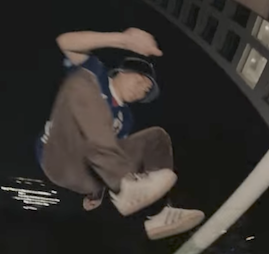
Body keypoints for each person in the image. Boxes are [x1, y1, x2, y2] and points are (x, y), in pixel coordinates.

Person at [36, 28, 204, 240]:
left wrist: (96, 193)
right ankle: (123, 186)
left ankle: (158, 214)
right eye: (141, 81)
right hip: (58, 158)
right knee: (80, 83)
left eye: (146, 90)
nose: (142, 90)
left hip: (87, 174)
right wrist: (123, 40)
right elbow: (65, 42)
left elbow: (106, 151)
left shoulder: (126, 118)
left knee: (156, 137)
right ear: (122, 71)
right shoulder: (95, 71)